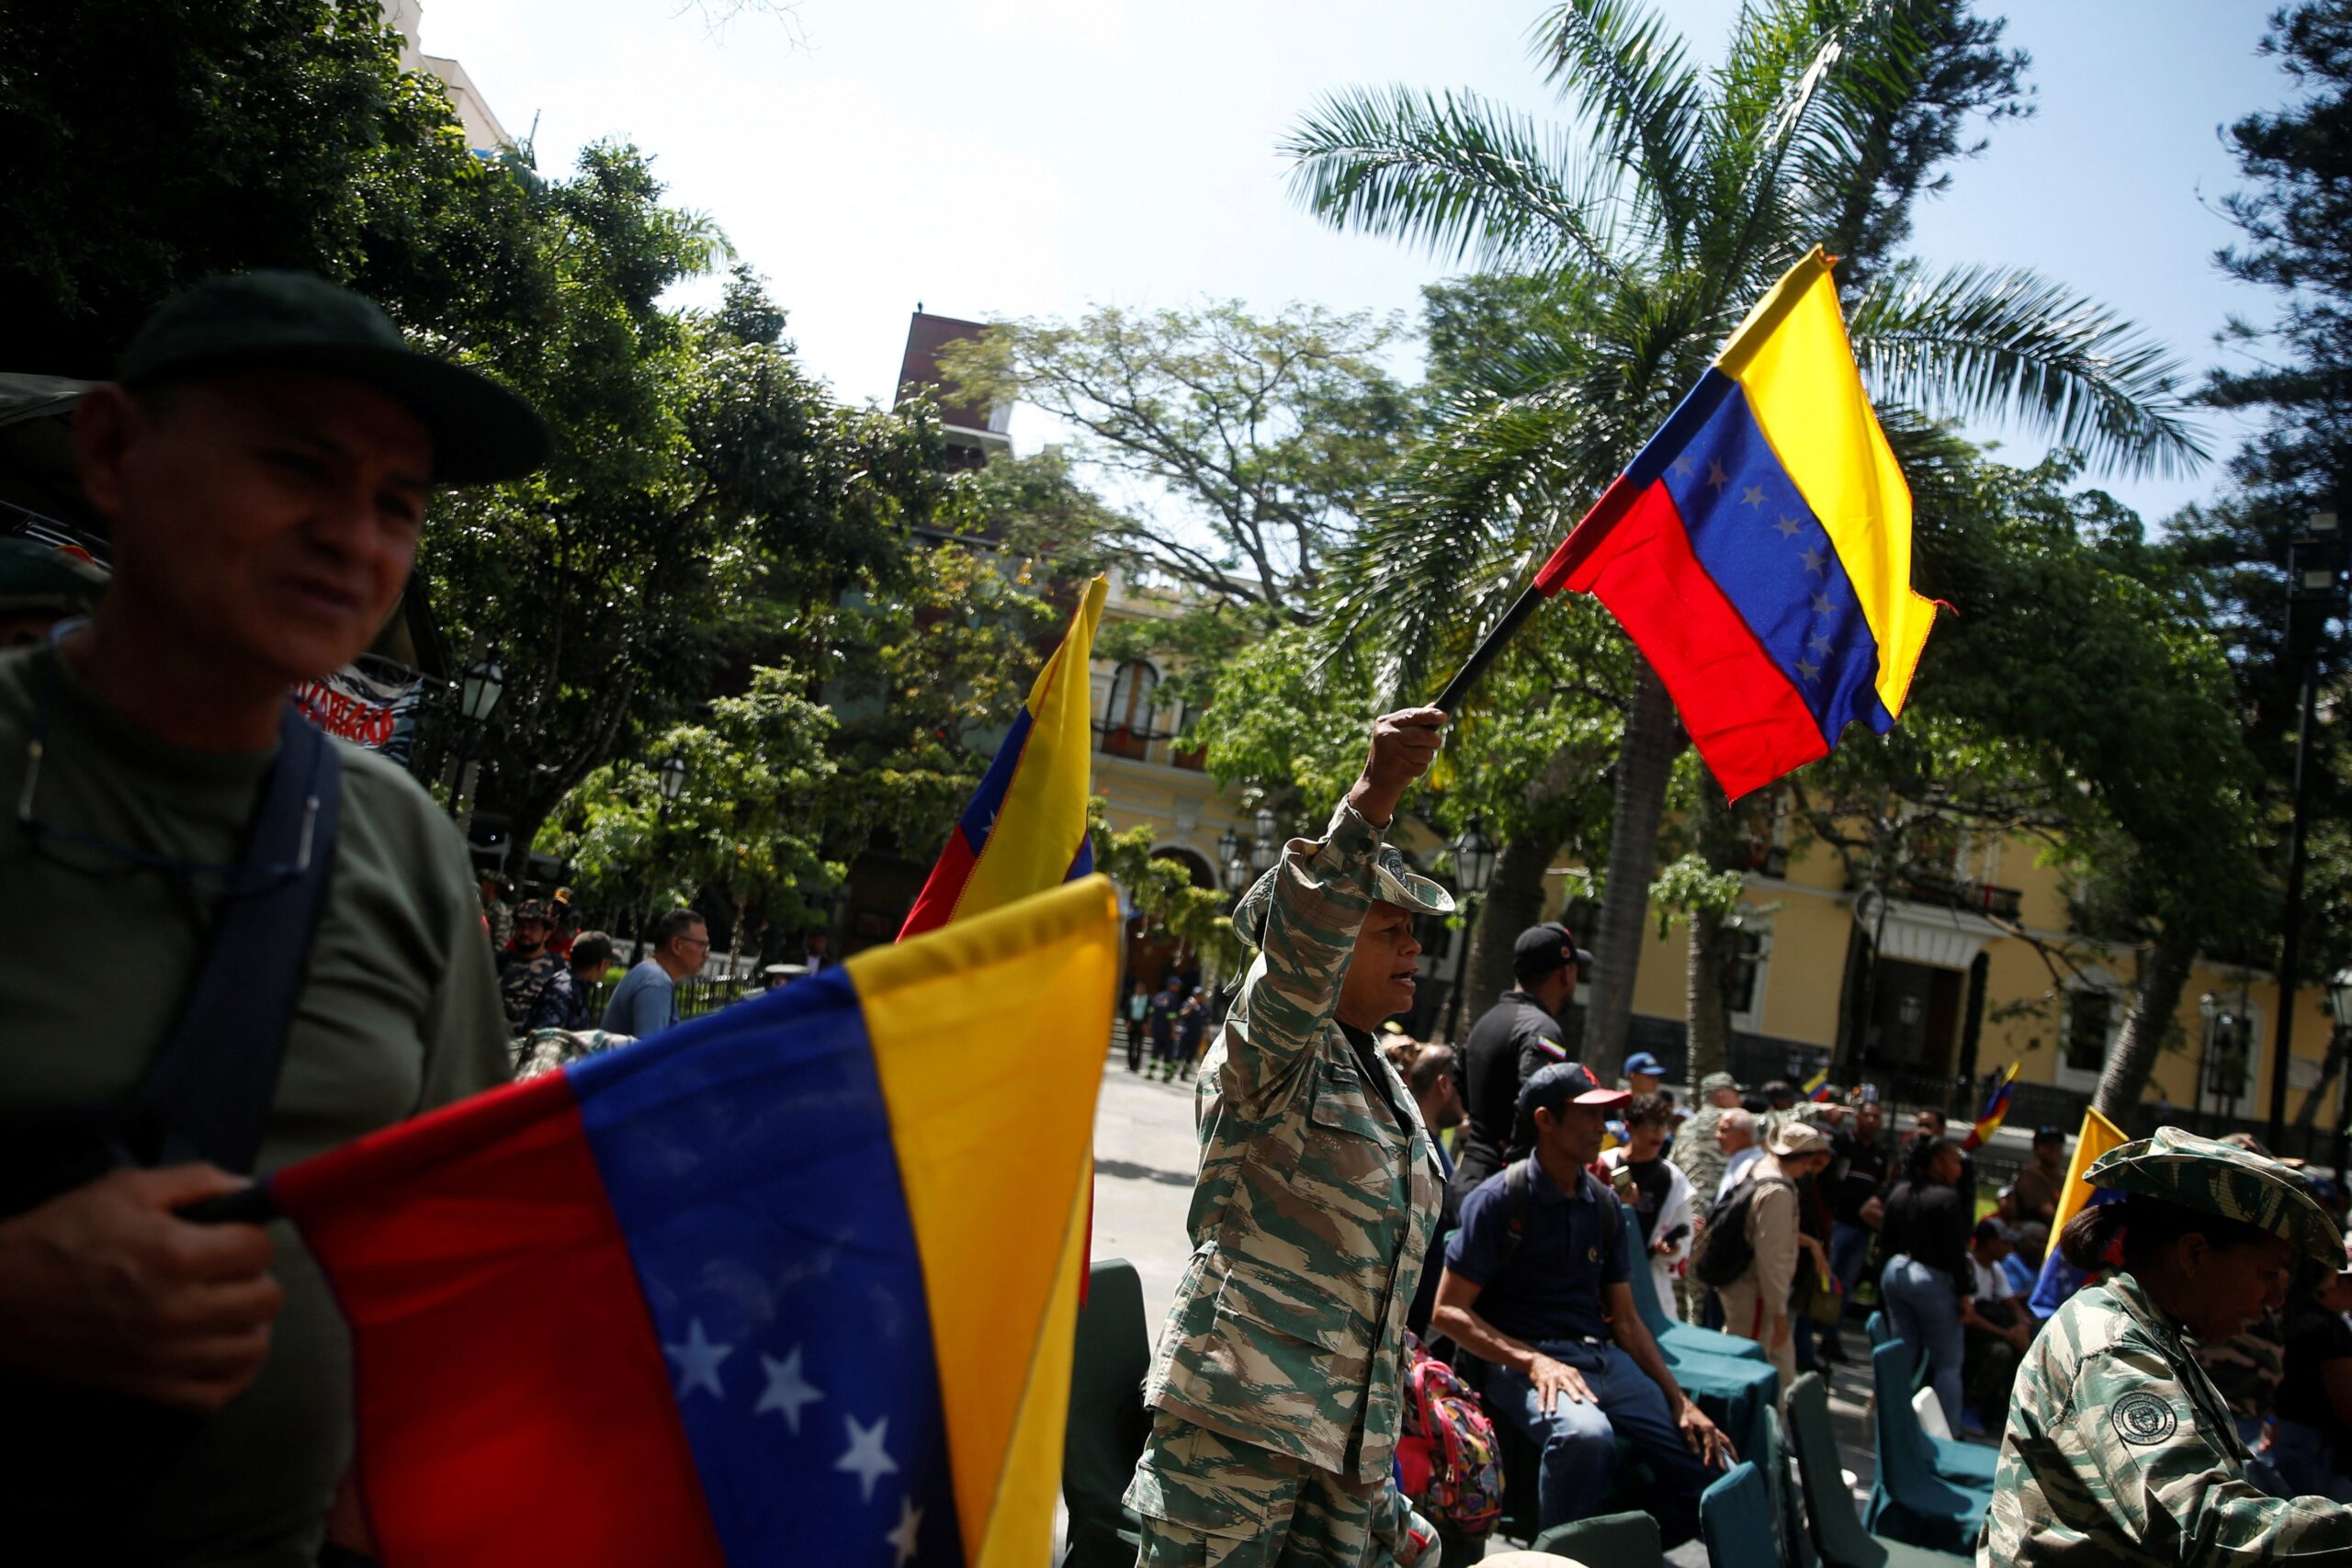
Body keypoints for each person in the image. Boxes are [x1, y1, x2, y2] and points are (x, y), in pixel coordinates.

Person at [0, 270, 546, 1561]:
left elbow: (459, 1247)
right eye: (297, 467)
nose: (352, 536)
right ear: (115, 451)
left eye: (398, 503)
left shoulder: (403, 840)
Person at [1127, 708, 1453, 1568]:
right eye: (1391, 929)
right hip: (1237, 1434)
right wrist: (1375, 792)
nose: (1415, 946)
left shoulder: (1381, 1076)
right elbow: (1300, 953)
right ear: (1328, 946)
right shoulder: (1272, 1045)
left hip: (1343, 1450)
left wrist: (1381, 1483)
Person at [1984, 1127, 2352, 1563]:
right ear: (2194, 1253)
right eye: (2268, 1274)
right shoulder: (2114, 1350)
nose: (2274, 1299)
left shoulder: (2152, 1334)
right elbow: (2198, 1526)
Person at [1433, 1062, 1733, 1541]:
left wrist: (1679, 1402)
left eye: (1605, 1115)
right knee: (1585, 1437)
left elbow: (1627, 1321)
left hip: (1602, 1359)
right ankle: (1561, 1556)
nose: (1602, 1127)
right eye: (1589, 1115)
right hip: (1525, 1366)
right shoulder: (1499, 1199)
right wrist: (1533, 1361)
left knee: (1710, 1456)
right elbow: (1447, 1312)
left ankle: (1622, 1545)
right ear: (1545, 1120)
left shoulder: (1604, 1204)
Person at [1453, 920, 1592, 1195]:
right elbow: (1538, 1098)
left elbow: (1459, 1080)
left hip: (1468, 1175)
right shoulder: (1543, 1029)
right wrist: (1518, 1156)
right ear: (1566, 973)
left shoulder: (1487, 1020)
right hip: (1506, 1189)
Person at [1715, 1121, 1834, 1388]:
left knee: (1773, 1370)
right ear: (1805, 1160)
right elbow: (1772, 1259)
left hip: (1748, 1290)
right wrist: (1779, 1314)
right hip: (1758, 1294)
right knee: (1753, 1373)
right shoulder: (1778, 1192)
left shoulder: (1760, 1168)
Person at [1880, 1136, 1974, 1432]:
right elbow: (1955, 1253)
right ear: (1937, 1163)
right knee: (1948, 1363)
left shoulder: (1900, 1191)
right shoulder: (1946, 1199)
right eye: (1954, 1161)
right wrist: (1964, 1294)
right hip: (1932, 1280)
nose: (1959, 1168)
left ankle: (1892, 1424)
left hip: (1896, 1272)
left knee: (1904, 1354)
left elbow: (1885, 1241)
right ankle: (1947, 1433)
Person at [1389, 1041, 1466, 1338]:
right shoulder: (1410, 1146)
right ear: (1443, 1085)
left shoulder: (1428, 1145)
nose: (1466, 1098)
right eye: (1462, 1087)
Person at [1602, 1093, 1695, 1325]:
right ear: (1630, 1127)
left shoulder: (1673, 1178)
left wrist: (1672, 1249)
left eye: (1663, 1126)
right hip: (1602, 1274)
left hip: (1648, 1280)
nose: (1658, 1133)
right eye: (1651, 1126)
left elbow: (1684, 1233)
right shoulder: (1603, 1164)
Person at [2270, 1240, 2352, 1503]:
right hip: (2308, 1444)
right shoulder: (2327, 1328)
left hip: (2291, 1436)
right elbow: (2347, 1403)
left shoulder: (2295, 1315)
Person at [1821, 1095, 1892, 1361]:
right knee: (1827, 1281)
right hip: (1838, 1223)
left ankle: (1831, 1337)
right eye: (1867, 1115)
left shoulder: (1879, 1154)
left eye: (1876, 1117)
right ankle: (1818, 1331)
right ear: (1857, 1117)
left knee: (1846, 1285)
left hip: (1861, 1230)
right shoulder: (1842, 1143)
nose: (1871, 1120)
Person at [1961, 1218, 2036, 1433]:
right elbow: (1971, 1317)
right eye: (2005, 1243)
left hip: (1995, 1330)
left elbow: (2011, 1303)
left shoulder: (1995, 1269)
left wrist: (2022, 1326)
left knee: (2025, 1350)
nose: (2009, 1249)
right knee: (2000, 1353)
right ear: (1990, 1243)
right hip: (1971, 1333)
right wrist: (2006, 1334)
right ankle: (1970, 1406)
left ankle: (2002, 1410)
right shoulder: (1967, 1265)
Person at [602, 908, 707, 1039]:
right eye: (702, 944)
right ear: (676, 945)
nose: (706, 954)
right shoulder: (656, 984)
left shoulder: (651, 975)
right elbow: (649, 1049)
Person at [525, 931, 618, 1034]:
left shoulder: (572, 986)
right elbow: (545, 1038)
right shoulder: (563, 992)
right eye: (610, 964)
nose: (608, 968)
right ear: (602, 964)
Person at [496, 898, 564, 1033]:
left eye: (532, 928)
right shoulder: (500, 961)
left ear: (546, 933)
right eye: (521, 926)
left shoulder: (557, 966)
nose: (525, 932)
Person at [2009, 1125, 2069, 1225]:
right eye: (2048, 1144)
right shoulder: (2029, 1177)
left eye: (2058, 1144)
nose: (2054, 1148)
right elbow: (2047, 1213)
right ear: (2036, 1148)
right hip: (2033, 1228)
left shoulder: (2063, 1179)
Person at [1713, 1107, 1762, 1202]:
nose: (1717, 1135)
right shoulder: (1736, 1158)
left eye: (1724, 1130)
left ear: (1744, 1134)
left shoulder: (1756, 1163)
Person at [479, 869, 514, 951]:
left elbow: (501, 944)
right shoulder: (483, 906)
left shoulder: (500, 911)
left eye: (483, 882)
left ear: (491, 886)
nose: (480, 886)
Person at [1124, 976, 1150, 1073]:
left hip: (1141, 1024)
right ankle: (1130, 1065)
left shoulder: (1148, 999)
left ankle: (1136, 1066)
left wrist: (1147, 1023)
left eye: (1141, 987)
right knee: (1130, 1045)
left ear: (1144, 988)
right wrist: (1127, 1021)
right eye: (1138, 987)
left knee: (1139, 1045)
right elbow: (1126, 1010)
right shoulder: (1132, 998)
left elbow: (1150, 1011)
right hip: (1132, 1023)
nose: (1139, 989)